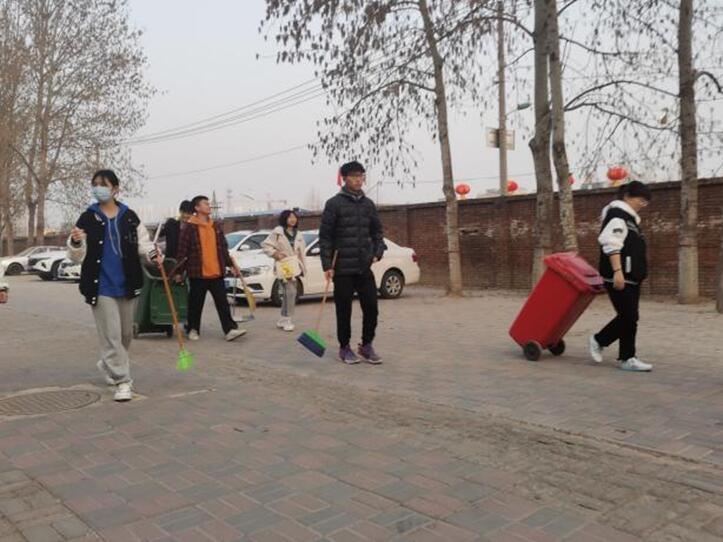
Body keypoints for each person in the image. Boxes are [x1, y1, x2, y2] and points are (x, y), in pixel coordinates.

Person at [67, 169, 162, 402]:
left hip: (127, 284)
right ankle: (123, 381)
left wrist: (154, 255)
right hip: (100, 286)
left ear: (115, 189)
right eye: (95, 184)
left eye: (103, 184)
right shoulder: (87, 218)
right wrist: (76, 242)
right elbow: (76, 256)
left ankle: (108, 363)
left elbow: (143, 244)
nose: (98, 188)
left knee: (125, 335)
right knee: (111, 335)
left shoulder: (129, 216)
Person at [319, 161, 386, 364]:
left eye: (361, 176)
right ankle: (345, 347)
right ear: (345, 178)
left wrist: (377, 252)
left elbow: (377, 232)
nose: (358, 180)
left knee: (372, 307)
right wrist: (327, 265)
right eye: (354, 176)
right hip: (342, 268)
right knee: (344, 310)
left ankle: (366, 345)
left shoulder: (368, 204)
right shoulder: (334, 204)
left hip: (364, 266)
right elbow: (325, 237)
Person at [589, 180, 653, 372]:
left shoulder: (631, 220)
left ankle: (627, 358)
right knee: (628, 316)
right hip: (618, 276)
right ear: (627, 196)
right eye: (640, 200)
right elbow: (611, 244)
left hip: (632, 277)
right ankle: (599, 340)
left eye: (646, 202)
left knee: (630, 317)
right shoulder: (617, 216)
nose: (643, 204)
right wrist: (618, 272)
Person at [175, 195, 246, 342]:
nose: (209, 206)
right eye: (205, 203)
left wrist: (231, 265)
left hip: (216, 272)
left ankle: (230, 329)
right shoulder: (190, 227)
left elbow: (223, 249)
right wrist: (178, 272)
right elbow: (182, 251)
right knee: (195, 304)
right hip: (198, 273)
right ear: (197, 208)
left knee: (223, 303)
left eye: (208, 203)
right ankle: (193, 329)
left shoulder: (216, 226)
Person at [262, 210, 307, 332]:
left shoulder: (298, 234)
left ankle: (283, 319)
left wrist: (302, 266)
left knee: (289, 292)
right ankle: (287, 319)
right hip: (284, 265)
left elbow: (302, 252)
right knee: (291, 292)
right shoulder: (278, 232)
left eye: (294, 217)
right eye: (290, 217)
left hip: (295, 265)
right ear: (284, 219)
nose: (293, 219)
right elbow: (265, 245)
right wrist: (276, 254)